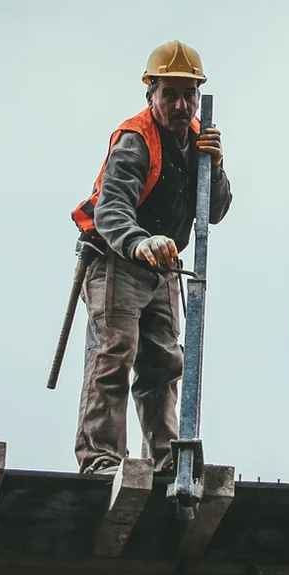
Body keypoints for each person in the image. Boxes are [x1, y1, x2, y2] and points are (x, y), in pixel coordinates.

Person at [68, 40, 233, 476]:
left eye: (189, 94)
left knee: (163, 363)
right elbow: (111, 207)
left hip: (163, 269)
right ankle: (101, 459)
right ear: (152, 94)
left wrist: (213, 166)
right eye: (170, 94)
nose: (181, 104)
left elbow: (213, 210)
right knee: (115, 351)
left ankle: (166, 461)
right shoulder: (135, 140)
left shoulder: (198, 140)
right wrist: (139, 241)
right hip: (117, 260)